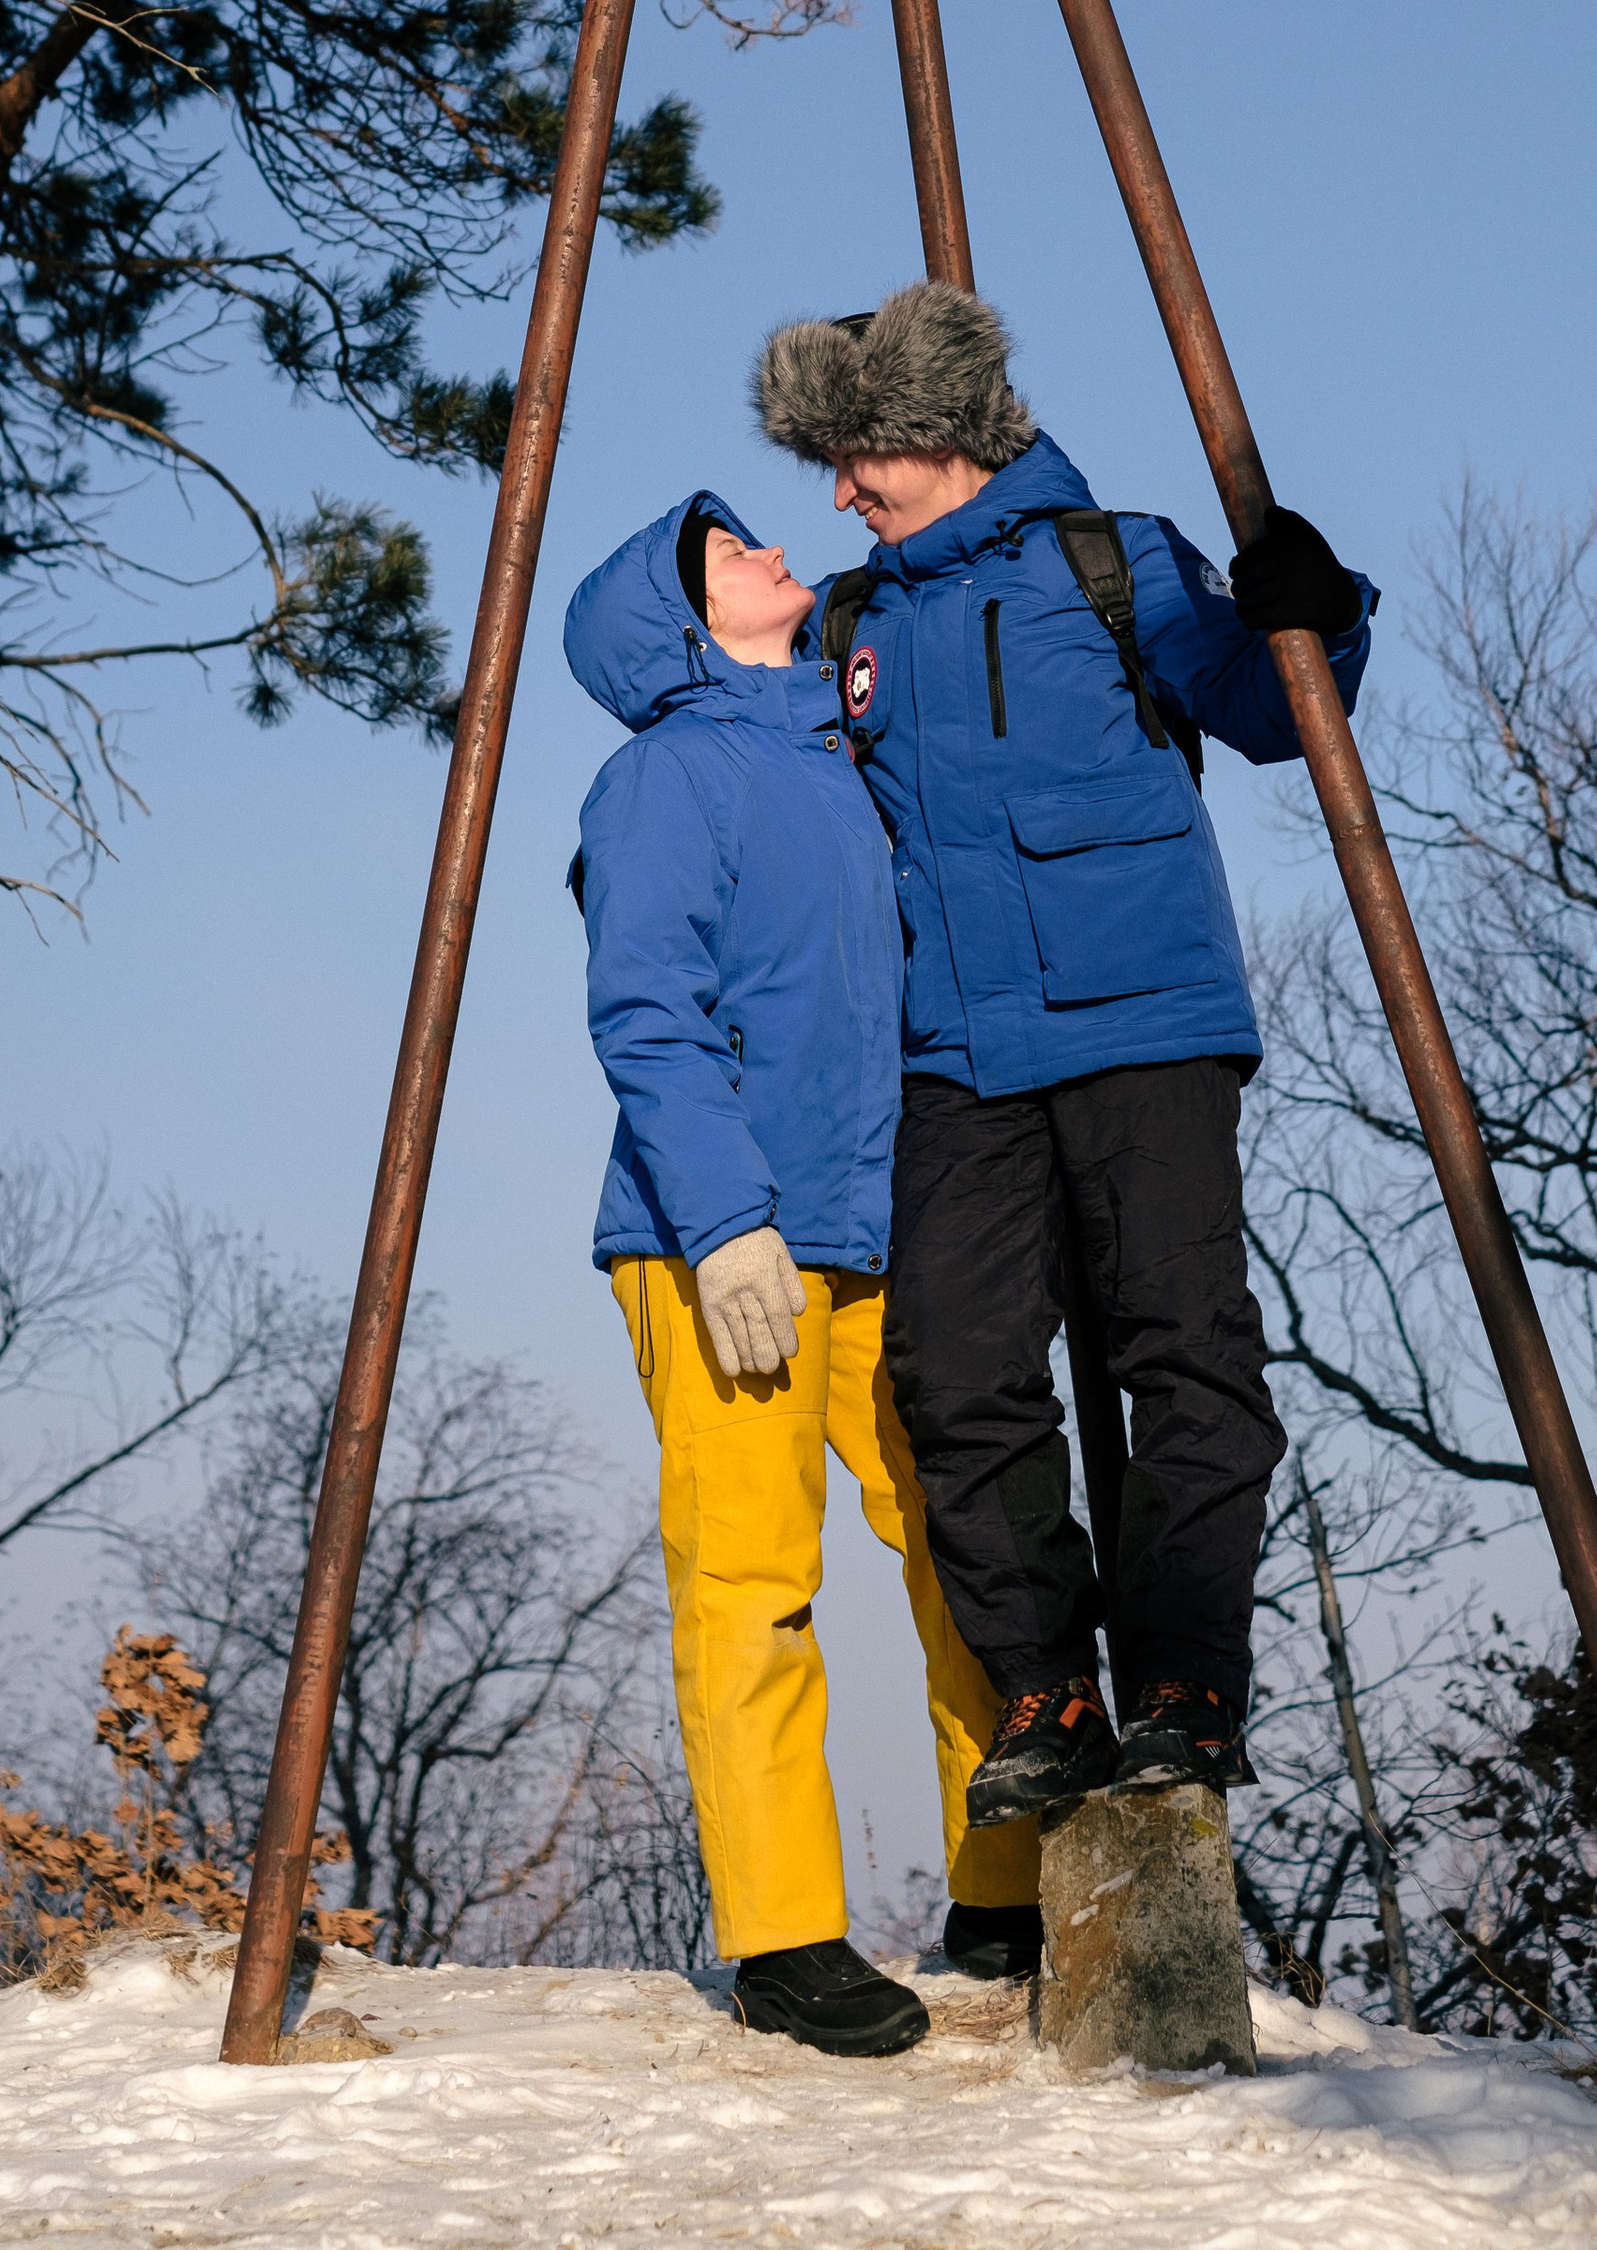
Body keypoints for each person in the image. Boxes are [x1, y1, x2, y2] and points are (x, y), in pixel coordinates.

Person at [752, 283, 1374, 1822]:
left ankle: (1182, 1686)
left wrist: (1318, 605)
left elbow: (1267, 705)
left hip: (1144, 1024)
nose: (838, 490)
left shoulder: (1116, 559)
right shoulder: (847, 622)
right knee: (951, 1376)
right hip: (952, 1057)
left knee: (1181, 1355)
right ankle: (1046, 1687)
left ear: (933, 433)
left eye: (855, 455)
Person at [565, 487, 1044, 2056]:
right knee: (754, 1578)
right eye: (726, 554)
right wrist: (719, 1221)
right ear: (684, 626)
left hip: (869, 1231)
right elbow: (646, 1006)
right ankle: (784, 1937)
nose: (770, 548)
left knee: (958, 1539)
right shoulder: (663, 776)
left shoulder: (836, 767)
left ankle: (1004, 1878)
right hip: (721, 1251)